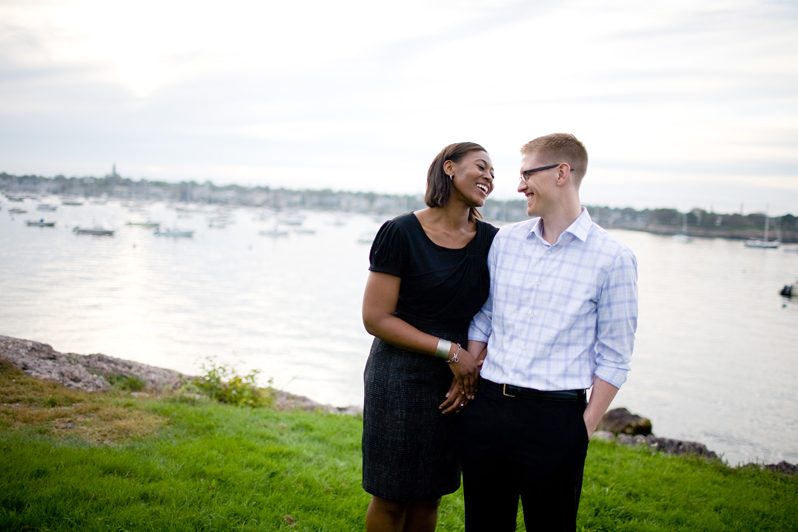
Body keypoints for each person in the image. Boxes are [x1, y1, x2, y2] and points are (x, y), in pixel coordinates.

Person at [460, 133, 638, 532]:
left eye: (527, 174)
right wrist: (471, 373)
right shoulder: (505, 241)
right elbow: (485, 317)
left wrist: (582, 429)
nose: (519, 185)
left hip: (555, 422)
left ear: (562, 173)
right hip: (488, 410)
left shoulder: (614, 259)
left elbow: (615, 358)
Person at [361, 142, 499, 532]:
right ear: (450, 168)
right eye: (481, 166)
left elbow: (493, 315)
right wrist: (450, 352)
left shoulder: (492, 241)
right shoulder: (401, 232)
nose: (489, 176)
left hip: (460, 378)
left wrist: (467, 366)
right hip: (400, 375)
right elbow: (376, 317)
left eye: (494, 172)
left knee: (430, 494)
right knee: (391, 495)